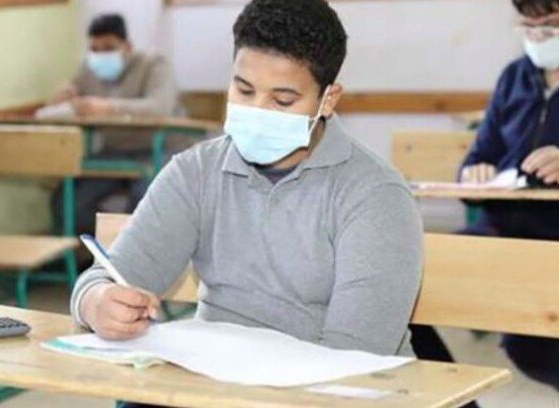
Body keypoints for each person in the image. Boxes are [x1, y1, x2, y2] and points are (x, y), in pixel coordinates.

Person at [72, 2, 423, 406]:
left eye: (283, 100)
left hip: (327, 393)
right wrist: (97, 304)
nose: (256, 111)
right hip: (213, 386)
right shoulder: (196, 172)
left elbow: (352, 358)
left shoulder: (374, 195)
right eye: (243, 89)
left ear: (328, 100)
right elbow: (105, 279)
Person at [414, 0, 559, 392]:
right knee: (407, 285)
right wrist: (474, 173)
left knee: (535, 351)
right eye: (528, 25)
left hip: (552, 241)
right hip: (502, 232)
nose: (538, 36)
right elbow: (479, 156)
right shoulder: (514, 78)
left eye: (550, 26)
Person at [47, 13, 182, 246]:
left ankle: (134, 259)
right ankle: (95, 255)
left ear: (127, 46)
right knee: (67, 203)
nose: (101, 55)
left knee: (144, 202)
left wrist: (108, 107)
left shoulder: (154, 64)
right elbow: (62, 106)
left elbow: (159, 107)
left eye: (109, 48)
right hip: (115, 151)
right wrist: (59, 99)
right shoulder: (88, 69)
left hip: (161, 149)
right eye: (94, 49)